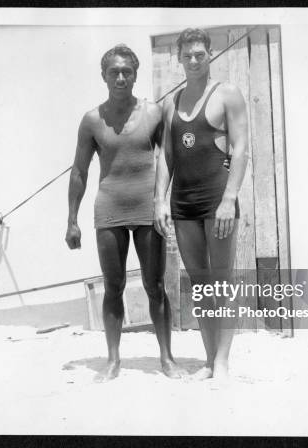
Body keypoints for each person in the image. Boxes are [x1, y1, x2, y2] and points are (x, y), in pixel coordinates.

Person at [66, 44, 186, 382]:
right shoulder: (92, 120)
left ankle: (166, 358)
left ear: (135, 74)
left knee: (154, 285)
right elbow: (78, 171)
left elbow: (168, 160)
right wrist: (71, 220)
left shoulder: (153, 113)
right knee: (113, 286)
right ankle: (113, 361)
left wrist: (163, 201)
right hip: (109, 210)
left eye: (127, 71)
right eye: (113, 72)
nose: (120, 77)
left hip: (147, 209)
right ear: (103, 76)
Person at [154, 28, 249, 382]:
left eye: (200, 54)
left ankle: (222, 362)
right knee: (201, 285)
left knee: (221, 284)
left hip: (216, 201)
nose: (194, 61)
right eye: (187, 55)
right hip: (184, 204)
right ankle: (210, 360)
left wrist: (230, 198)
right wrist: (159, 200)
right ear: (178, 59)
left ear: (210, 54)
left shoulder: (227, 94)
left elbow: (240, 149)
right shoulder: (170, 104)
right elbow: (166, 157)